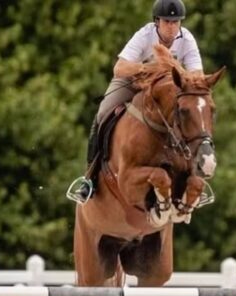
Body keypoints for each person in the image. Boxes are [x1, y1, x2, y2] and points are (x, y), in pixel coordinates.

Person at [67, 0, 204, 204]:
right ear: (157, 21)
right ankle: (89, 178)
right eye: (167, 21)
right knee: (103, 111)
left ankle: (192, 175)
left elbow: (198, 75)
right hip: (133, 82)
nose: (172, 27)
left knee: (192, 113)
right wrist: (150, 70)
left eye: (176, 22)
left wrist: (177, 75)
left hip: (167, 88)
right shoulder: (144, 35)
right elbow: (120, 69)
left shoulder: (187, 39)